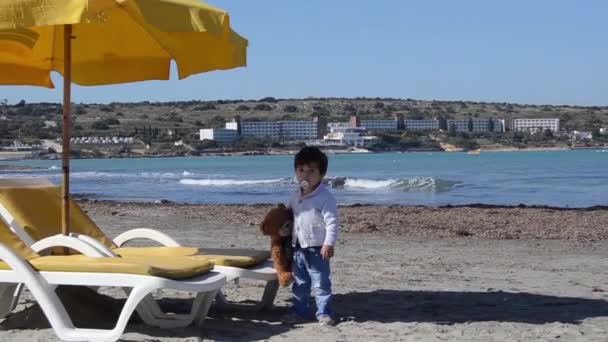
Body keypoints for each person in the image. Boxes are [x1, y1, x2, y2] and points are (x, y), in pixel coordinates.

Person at [281, 146, 339, 326]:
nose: (305, 175)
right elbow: (285, 214)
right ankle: (299, 311)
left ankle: (324, 313)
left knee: (321, 282)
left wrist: (328, 243)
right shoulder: (295, 195)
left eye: (311, 171)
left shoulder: (325, 197)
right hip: (298, 247)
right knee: (300, 283)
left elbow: (332, 223)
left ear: (322, 174)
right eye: (301, 170)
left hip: (317, 248)